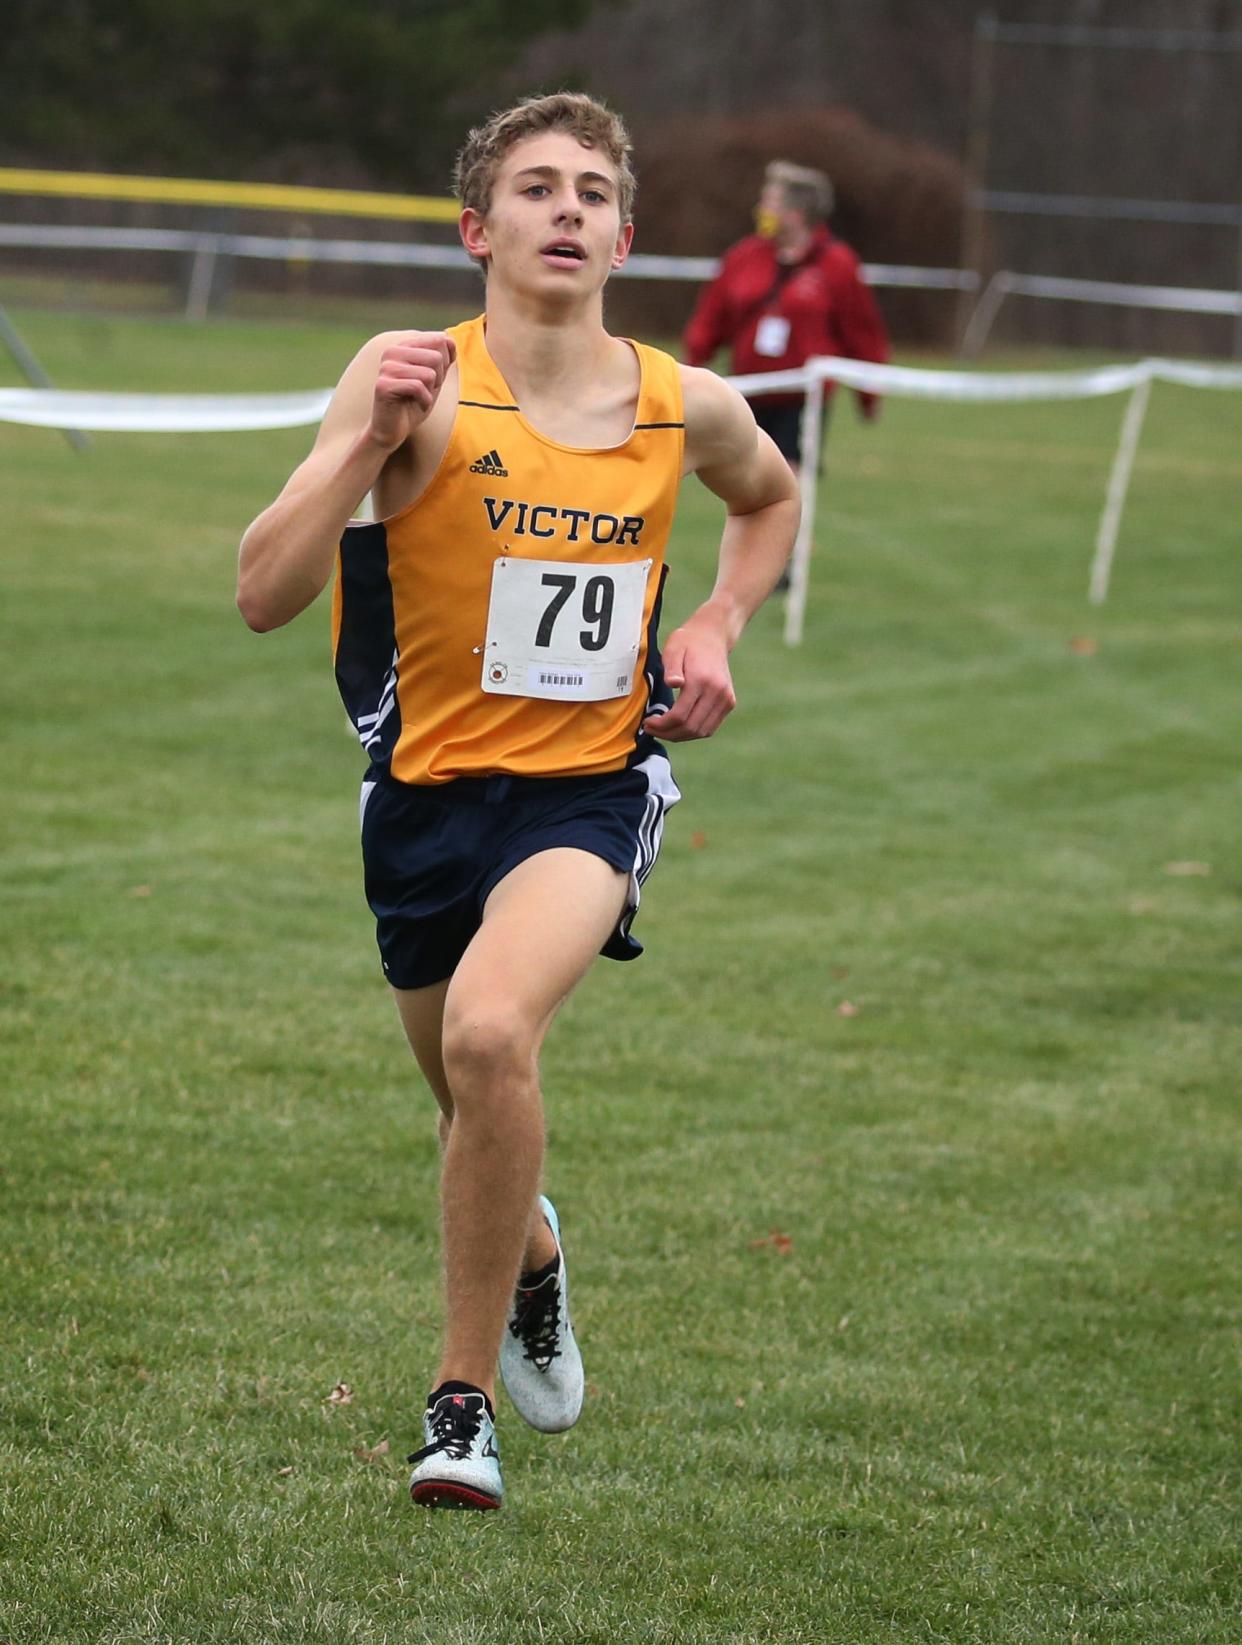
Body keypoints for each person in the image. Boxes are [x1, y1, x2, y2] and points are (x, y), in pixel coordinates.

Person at [236, 92, 798, 1513]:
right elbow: (261, 593)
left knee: (494, 1036)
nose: (567, 208)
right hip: (423, 799)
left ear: (623, 233)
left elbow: (770, 497)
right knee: (470, 1096)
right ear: (478, 228)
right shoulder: (407, 370)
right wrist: (368, 445)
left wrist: (719, 622)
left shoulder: (681, 403)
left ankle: (457, 1407)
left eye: (593, 190)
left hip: (587, 797)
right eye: (536, 187)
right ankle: (533, 1256)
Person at [683, 159, 889, 472]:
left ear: (797, 212)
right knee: (743, 480)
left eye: (770, 203)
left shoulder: (838, 264)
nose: (761, 209)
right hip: (747, 391)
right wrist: (693, 369)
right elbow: (710, 318)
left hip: (802, 399)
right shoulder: (744, 256)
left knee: (784, 480)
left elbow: (861, 331)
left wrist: (868, 394)